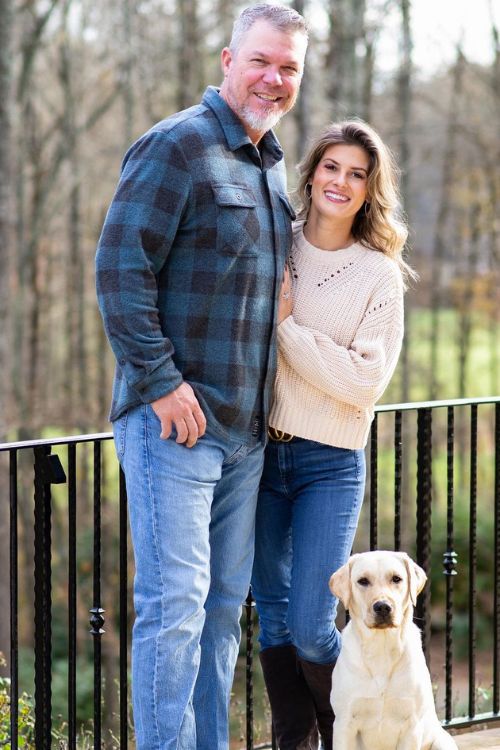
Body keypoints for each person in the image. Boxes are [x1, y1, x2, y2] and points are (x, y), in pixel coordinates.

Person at [95, 5, 308, 749]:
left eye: (288, 68)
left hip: (245, 438)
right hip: (173, 429)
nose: (274, 78)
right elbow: (120, 271)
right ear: (227, 59)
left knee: (222, 611)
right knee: (176, 606)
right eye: (261, 61)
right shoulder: (176, 146)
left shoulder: (274, 165)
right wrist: (158, 381)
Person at [251, 120, 413, 750]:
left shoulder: (378, 275)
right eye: (332, 167)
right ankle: (296, 740)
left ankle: (336, 730)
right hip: (259, 455)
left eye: (357, 173)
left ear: (371, 188)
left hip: (329, 463)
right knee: (271, 618)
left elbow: (362, 384)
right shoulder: (276, 243)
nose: (341, 182)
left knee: (314, 624)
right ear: (311, 171)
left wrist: (288, 329)